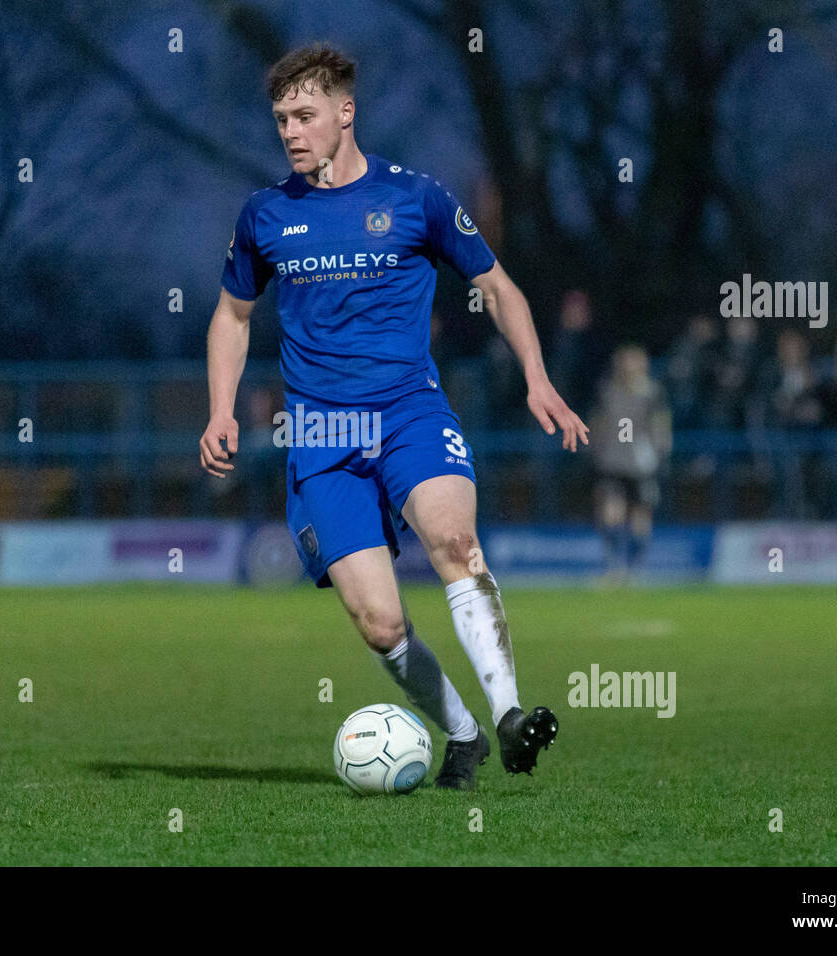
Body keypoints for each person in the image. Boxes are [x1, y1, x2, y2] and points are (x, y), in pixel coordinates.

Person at [199, 44, 588, 790]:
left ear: (346, 113)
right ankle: (465, 736)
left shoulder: (418, 198)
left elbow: (501, 289)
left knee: (453, 537)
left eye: (305, 115)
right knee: (379, 623)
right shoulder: (266, 214)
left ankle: (509, 717)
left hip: (409, 412)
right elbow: (230, 316)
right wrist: (221, 410)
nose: (291, 131)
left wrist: (538, 379)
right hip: (320, 438)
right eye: (282, 118)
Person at [591, 346, 672, 581]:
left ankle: (635, 570)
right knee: (610, 514)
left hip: (641, 463)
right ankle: (614, 569)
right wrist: (596, 449)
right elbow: (599, 422)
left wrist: (660, 453)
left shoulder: (653, 393)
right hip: (612, 462)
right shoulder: (607, 391)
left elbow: (661, 426)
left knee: (640, 516)